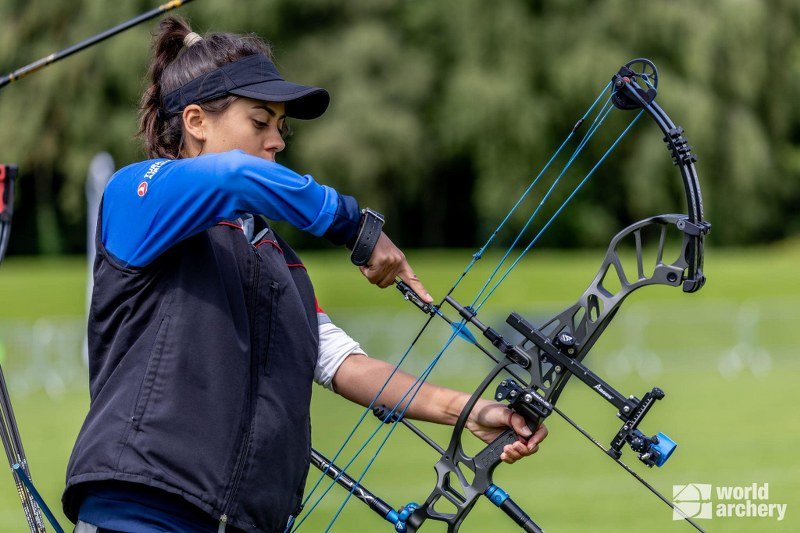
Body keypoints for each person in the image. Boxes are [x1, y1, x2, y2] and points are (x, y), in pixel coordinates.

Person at [62, 17, 547, 533]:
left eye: (281, 127)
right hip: (143, 513)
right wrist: (353, 225)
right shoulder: (136, 197)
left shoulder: (276, 258)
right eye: (260, 122)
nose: (278, 141)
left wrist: (467, 410)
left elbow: (340, 361)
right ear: (197, 122)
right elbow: (233, 175)